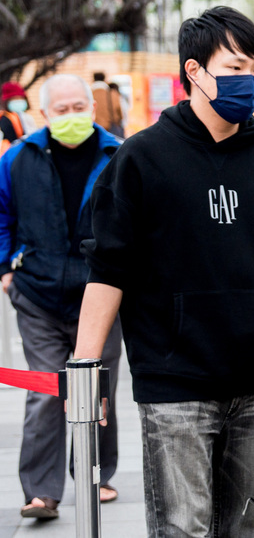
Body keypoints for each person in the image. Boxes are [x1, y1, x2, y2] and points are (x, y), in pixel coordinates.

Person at [74, 6, 254, 538]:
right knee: (184, 528)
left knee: (245, 524)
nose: (249, 81)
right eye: (235, 67)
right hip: (173, 385)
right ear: (194, 71)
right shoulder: (140, 159)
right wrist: (86, 368)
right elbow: (108, 270)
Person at [0, 74, 123, 519]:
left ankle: (96, 474)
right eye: (61, 110)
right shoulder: (18, 158)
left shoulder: (119, 156)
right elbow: (2, 215)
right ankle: (41, 492)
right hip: (38, 295)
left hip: (102, 294)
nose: (71, 116)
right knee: (45, 391)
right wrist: (5, 271)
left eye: (78, 108)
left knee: (98, 390)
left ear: (93, 108)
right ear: (44, 114)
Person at [0, 81, 36, 153]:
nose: (18, 101)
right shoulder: (5, 118)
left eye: (20, 98)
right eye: (14, 99)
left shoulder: (23, 116)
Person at [91, 72, 123, 137]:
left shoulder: (89, 94)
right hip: (110, 129)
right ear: (104, 80)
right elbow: (119, 112)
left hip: (94, 129)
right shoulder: (112, 94)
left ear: (93, 80)